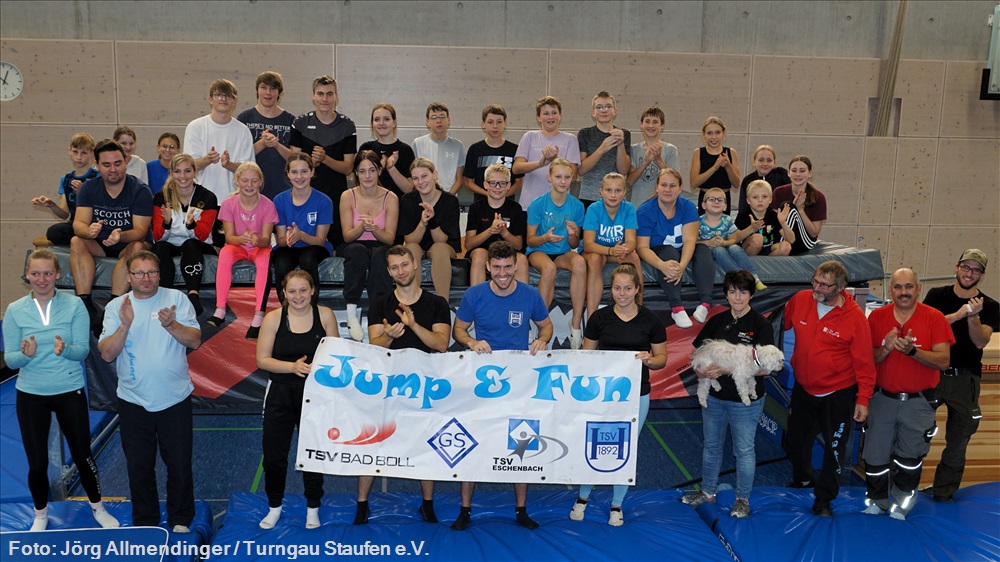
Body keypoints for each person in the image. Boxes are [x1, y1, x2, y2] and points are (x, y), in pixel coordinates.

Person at [3, 250, 120, 532]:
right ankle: (40, 515)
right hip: (31, 393)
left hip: (68, 389)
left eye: (47, 273)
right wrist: (26, 355)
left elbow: (81, 351)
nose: (41, 279)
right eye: (35, 273)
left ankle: (98, 508)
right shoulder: (15, 310)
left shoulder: (74, 305)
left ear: (57, 274)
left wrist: (65, 349)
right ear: (27, 275)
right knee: (37, 462)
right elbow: (11, 360)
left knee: (82, 455)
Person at [452, 240, 554, 531]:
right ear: (487, 266)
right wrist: (471, 342)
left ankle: (521, 509)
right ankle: (465, 509)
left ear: (516, 265)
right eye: (496, 267)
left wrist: (542, 339)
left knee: (521, 443)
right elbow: (459, 330)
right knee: (472, 442)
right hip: (482, 383)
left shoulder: (530, 295)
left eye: (508, 267)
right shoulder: (475, 294)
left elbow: (546, 325)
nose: (502, 273)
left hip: (519, 383)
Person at [98, 250, 201, 533]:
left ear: (160, 273)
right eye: (140, 273)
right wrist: (125, 324)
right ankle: (145, 520)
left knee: (179, 464)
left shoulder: (177, 299)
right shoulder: (117, 307)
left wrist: (171, 324)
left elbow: (194, 341)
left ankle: (181, 517)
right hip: (133, 400)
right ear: (129, 276)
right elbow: (106, 354)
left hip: (175, 398)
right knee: (138, 466)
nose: (146, 278)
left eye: (152, 272)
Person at [569, 263, 666, 526]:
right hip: (601, 395)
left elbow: (662, 358)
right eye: (617, 288)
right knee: (593, 442)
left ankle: (617, 504)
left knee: (625, 447)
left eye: (627, 288)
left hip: (637, 395)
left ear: (637, 289)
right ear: (610, 290)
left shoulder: (651, 321)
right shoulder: (599, 318)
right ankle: (582, 497)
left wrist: (650, 360)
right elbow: (587, 356)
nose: (622, 294)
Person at [359, 245, 451, 525]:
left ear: (415, 264)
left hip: (423, 386)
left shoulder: (437, 303)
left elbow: (442, 344)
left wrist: (413, 325)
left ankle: (428, 504)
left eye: (404, 265)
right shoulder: (380, 303)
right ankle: (362, 505)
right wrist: (389, 335)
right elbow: (374, 346)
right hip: (388, 385)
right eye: (394, 267)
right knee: (372, 443)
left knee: (426, 443)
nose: (401, 271)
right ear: (389, 272)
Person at [783, 260, 876, 518]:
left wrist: (863, 399)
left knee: (835, 450)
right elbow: (780, 324)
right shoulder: (801, 300)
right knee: (794, 442)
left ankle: (824, 498)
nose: (818, 288)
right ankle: (803, 479)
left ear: (841, 287)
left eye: (825, 285)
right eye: (815, 281)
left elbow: (865, 364)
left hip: (837, 393)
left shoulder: (854, 318)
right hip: (804, 388)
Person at [682, 270, 774, 518]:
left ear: (751, 295)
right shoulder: (717, 321)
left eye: (743, 292)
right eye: (732, 292)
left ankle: (742, 499)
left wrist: (728, 369)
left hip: (745, 402)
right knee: (711, 447)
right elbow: (697, 353)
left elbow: (766, 368)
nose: (737, 297)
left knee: (743, 451)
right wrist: (699, 369)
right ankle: (707, 492)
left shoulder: (761, 325)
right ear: (726, 294)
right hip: (715, 399)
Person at [863, 268, 953, 520]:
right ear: (890, 290)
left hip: (918, 402)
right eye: (898, 287)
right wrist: (886, 348)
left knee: (910, 458)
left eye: (909, 286)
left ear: (918, 288)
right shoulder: (877, 317)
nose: (904, 292)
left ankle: (901, 505)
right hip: (882, 399)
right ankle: (877, 501)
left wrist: (912, 352)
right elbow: (868, 358)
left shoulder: (934, 318)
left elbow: (944, 361)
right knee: (875, 456)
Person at [255, 270, 338, 530]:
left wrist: (320, 368)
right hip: (280, 393)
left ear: (313, 290)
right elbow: (262, 360)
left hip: (315, 395)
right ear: (284, 293)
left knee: (312, 454)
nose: (298, 296)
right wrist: (292, 367)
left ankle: (313, 508)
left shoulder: (325, 315)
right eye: (292, 291)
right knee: (274, 457)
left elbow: (337, 357)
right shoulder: (273, 318)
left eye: (303, 290)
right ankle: (274, 507)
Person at [924, 249, 999, 502]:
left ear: (982, 275)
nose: (969, 273)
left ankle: (943, 493)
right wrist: (957, 315)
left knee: (958, 440)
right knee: (916, 432)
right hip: (932, 373)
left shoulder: (990, 306)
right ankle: (905, 487)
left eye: (976, 270)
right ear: (956, 268)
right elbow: (926, 329)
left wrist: (973, 316)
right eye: (965, 267)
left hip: (965, 379)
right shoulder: (937, 295)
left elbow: (980, 341)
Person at [70, 139, 153, 334]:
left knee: (138, 247)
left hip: (128, 244)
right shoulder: (89, 188)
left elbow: (140, 231)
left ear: (125, 162)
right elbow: (78, 224)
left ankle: (112, 305)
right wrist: (88, 231)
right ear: (97, 165)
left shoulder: (140, 190)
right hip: (99, 243)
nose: (113, 169)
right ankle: (86, 303)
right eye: (106, 165)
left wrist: (120, 236)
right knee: (77, 240)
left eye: (117, 163)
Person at [206, 162, 278, 339]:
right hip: (237, 245)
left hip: (259, 247)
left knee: (264, 258)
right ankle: (220, 308)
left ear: (261, 182)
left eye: (254, 181)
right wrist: (241, 239)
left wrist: (257, 240)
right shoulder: (228, 203)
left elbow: (266, 239)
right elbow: (229, 237)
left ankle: (259, 314)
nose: (249, 185)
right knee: (225, 253)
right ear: (237, 181)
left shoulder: (268, 205)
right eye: (245, 180)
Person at [636, 168, 713, 329]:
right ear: (657, 187)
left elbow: (690, 240)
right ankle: (676, 307)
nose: (668, 189)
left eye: (672, 186)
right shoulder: (645, 211)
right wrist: (661, 265)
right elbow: (642, 247)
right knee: (669, 252)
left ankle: (705, 303)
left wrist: (682, 266)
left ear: (680, 188)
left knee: (703, 249)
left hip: (683, 248)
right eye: (664, 185)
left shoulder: (688, 206)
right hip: (659, 251)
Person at [525, 158, 586, 349]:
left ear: (572, 178)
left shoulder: (577, 206)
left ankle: (576, 323)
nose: (563, 181)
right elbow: (530, 240)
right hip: (538, 250)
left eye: (567, 177)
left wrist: (572, 234)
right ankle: (540, 323)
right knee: (549, 268)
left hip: (563, 252)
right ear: (549, 178)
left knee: (580, 263)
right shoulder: (537, 204)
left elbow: (574, 244)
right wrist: (545, 238)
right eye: (558, 177)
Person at [290, 75, 357, 247]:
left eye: (329, 94)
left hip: (336, 195)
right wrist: (311, 162)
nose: (325, 99)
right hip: (306, 194)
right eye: (320, 94)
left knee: (338, 245)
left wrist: (325, 159)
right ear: (313, 96)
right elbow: (293, 162)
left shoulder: (347, 125)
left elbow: (348, 168)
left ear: (336, 96)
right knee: (306, 245)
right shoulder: (300, 123)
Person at [339, 150, 398, 340]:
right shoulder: (347, 196)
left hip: (380, 242)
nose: (367, 176)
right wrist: (361, 227)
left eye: (372, 170)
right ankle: (351, 312)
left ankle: (378, 311)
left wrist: (374, 229)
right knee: (357, 251)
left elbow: (389, 238)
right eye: (362, 171)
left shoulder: (391, 198)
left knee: (381, 255)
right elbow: (347, 236)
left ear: (379, 171)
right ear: (356, 172)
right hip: (355, 243)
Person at [151, 153, 219, 316]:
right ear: (171, 173)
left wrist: (191, 225)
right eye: (177, 171)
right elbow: (158, 237)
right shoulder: (161, 197)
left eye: (187, 171)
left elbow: (203, 236)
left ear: (195, 172)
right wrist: (166, 223)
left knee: (190, 244)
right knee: (159, 248)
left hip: (198, 243)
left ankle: (193, 297)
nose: (182, 176)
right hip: (170, 243)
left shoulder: (208, 197)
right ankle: (164, 296)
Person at [272, 153, 334, 308]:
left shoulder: (324, 201)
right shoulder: (279, 200)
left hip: (315, 247)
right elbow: (280, 240)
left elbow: (320, 241)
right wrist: (289, 237)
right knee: (281, 258)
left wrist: (301, 235)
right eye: (294, 172)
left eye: (304, 171)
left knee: (307, 258)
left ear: (312, 172)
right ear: (288, 174)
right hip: (289, 247)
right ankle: (286, 308)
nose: (299, 177)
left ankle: (311, 307)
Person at [396, 158, 461, 301]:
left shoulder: (450, 201)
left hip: (444, 246)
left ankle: (443, 304)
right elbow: (409, 240)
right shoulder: (407, 200)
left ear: (434, 174)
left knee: (439, 248)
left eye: (424, 176)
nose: (420, 182)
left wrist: (433, 221)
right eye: (415, 178)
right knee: (411, 248)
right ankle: (411, 303)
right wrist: (422, 223)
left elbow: (442, 240)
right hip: (417, 246)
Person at [183, 79, 255, 206]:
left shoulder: (243, 131)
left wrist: (229, 165)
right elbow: (187, 167)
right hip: (201, 200)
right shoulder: (195, 127)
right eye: (219, 95)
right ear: (210, 99)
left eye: (228, 96)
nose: (223, 99)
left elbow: (249, 170)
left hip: (234, 201)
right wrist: (208, 159)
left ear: (234, 101)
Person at [582, 172, 641, 320]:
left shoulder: (629, 209)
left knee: (634, 257)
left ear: (625, 192)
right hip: (596, 251)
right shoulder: (594, 209)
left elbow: (632, 241)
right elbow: (588, 244)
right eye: (609, 190)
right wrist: (610, 250)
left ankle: (639, 310)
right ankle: (591, 318)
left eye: (618, 190)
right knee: (595, 259)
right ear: (601, 192)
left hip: (616, 252)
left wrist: (626, 249)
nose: (613, 195)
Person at [464, 163, 528, 286]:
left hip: (508, 251)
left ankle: (520, 298)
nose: (497, 187)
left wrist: (504, 232)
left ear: (508, 186)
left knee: (521, 259)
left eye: (502, 183)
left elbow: (519, 245)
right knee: (479, 254)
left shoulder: (515, 208)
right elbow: (469, 244)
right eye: (493, 183)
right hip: (483, 251)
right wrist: (490, 231)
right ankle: (477, 297)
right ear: (485, 184)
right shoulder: (476, 208)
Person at [512, 96, 581, 210]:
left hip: (559, 207)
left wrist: (555, 159)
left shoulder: (570, 139)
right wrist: (539, 164)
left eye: (554, 113)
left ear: (560, 115)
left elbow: (573, 176)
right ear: (538, 117)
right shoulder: (529, 137)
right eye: (546, 113)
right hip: (529, 205)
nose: (550, 117)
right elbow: (516, 168)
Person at [32, 132, 98, 246]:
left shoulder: (98, 177)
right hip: (75, 225)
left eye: (84, 153)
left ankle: (87, 241)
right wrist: (52, 205)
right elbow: (64, 214)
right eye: (75, 152)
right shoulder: (66, 179)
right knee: (54, 232)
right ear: (69, 151)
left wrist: (83, 193)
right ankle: (83, 241)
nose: (79, 157)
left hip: (94, 224)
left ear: (92, 154)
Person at [237, 71, 295, 200]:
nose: (268, 92)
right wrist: (262, 144)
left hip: (283, 190)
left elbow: (296, 159)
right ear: (257, 90)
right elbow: (238, 158)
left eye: (273, 88)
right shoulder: (244, 118)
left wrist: (277, 145)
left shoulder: (291, 121)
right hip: (251, 190)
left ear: (279, 93)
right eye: (264, 87)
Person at [698, 187, 767, 290]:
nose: (716, 202)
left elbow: (734, 239)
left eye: (720, 200)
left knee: (735, 247)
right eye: (711, 199)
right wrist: (708, 242)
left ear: (725, 206)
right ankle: (739, 276)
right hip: (709, 252)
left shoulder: (727, 220)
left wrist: (724, 242)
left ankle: (754, 276)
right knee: (719, 249)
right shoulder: (698, 222)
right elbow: (692, 241)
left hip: (724, 246)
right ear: (703, 205)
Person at [577, 91, 631, 209]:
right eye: (599, 107)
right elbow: (580, 170)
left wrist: (620, 145)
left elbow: (623, 171)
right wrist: (601, 149)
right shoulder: (585, 134)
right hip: (589, 197)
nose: (604, 110)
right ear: (593, 112)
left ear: (614, 111)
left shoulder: (624, 134)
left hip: (616, 197)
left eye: (608, 106)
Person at [462, 104, 523, 203]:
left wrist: (502, 195)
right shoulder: (475, 149)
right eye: (490, 122)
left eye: (499, 122)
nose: (495, 126)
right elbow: (467, 181)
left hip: (507, 205)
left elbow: (519, 182)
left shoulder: (515, 150)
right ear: (483, 124)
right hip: (480, 205)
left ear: (505, 123)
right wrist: (489, 194)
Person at [771, 155, 826, 255]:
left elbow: (814, 233)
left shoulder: (818, 197)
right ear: (789, 173)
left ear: (810, 173)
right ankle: (783, 246)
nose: (797, 174)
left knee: (790, 207)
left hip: (805, 242)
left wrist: (800, 210)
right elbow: (774, 222)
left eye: (802, 171)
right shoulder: (779, 192)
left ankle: (785, 245)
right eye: (794, 170)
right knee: (786, 207)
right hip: (783, 238)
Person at [358, 103, 415, 198]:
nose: (381, 123)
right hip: (370, 203)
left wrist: (391, 168)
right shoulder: (366, 148)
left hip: (398, 205)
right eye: (377, 119)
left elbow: (409, 189)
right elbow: (359, 184)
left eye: (386, 119)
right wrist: (378, 168)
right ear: (372, 124)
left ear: (394, 123)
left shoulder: (405, 150)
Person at [627, 106, 679, 205]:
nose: (651, 125)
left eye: (655, 122)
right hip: (637, 205)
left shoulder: (671, 149)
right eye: (647, 121)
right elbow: (629, 182)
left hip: (663, 206)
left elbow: (675, 180)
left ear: (662, 126)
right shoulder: (633, 149)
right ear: (641, 124)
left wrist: (659, 159)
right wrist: (645, 163)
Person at [411, 102, 465, 197]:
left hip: (449, 198)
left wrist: (446, 198)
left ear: (448, 120)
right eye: (434, 117)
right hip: (424, 197)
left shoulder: (458, 145)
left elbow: (459, 180)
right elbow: (413, 176)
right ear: (427, 121)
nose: (438, 121)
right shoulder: (418, 143)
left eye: (442, 117)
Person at [689, 116, 741, 214]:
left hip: (724, 200)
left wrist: (728, 166)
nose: (714, 137)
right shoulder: (698, 152)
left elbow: (736, 184)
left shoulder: (731, 152)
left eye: (717, 132)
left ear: (723, 133)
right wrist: (714, 167)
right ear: (703, 134)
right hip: (705, 199)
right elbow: (694, 183)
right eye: (709, 133)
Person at [735, 180, 794, 257]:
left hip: (768, 251)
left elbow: (791, 240)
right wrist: (751, 228)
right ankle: (750, 263)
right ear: (748, 200)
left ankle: (766, 264)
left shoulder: (773, 215)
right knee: (758, 239)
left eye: (764, 197)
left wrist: (783, 223)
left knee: (786, 247)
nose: (760, 200)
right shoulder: (744, 215)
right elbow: (735, 238)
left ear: (770, 199)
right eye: (755, 197)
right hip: (748, 250)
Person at [737, 145, 789, 215]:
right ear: (754, 161)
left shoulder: (782, 175)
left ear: (774, 162)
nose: (765, 163)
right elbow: (743, 208)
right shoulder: (748, 180)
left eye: (769, 160)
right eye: (761, 160)